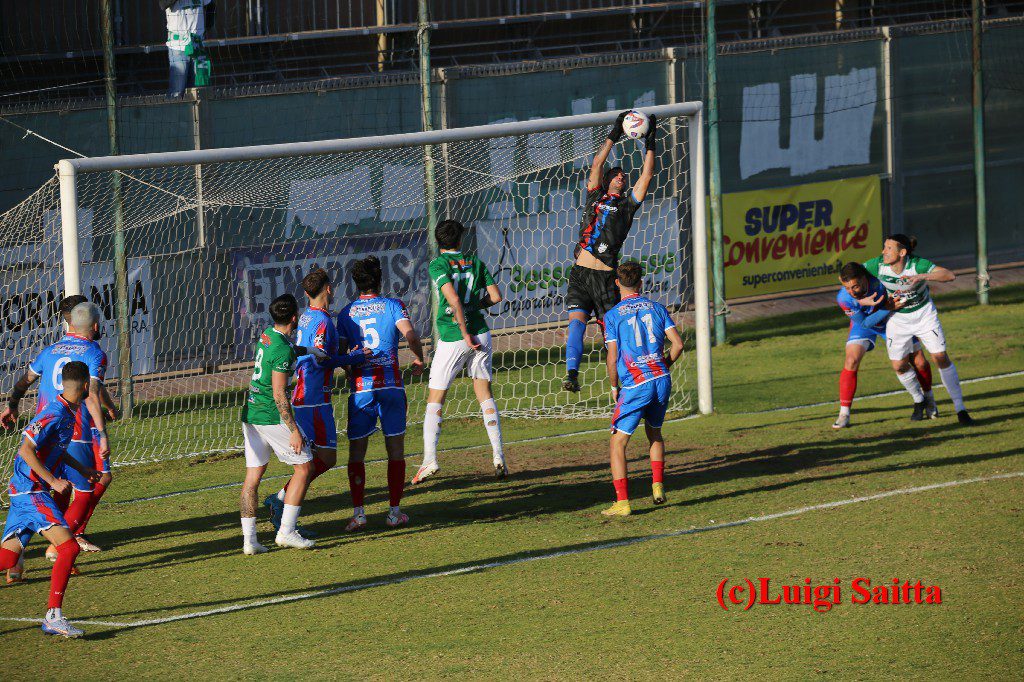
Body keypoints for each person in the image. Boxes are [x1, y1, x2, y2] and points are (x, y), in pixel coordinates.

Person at [1, 301, 115, 566]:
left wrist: (12, 405)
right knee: (90, 486)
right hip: (75, 430)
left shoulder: (50, 350)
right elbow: (92, 394)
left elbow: (23, 382)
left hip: (44, 434)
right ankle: (63, 543)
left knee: (46, 490)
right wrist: (102, 433)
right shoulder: (94, 352)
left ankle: (16, 559)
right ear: (96, 326)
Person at [0, 360, 101, 638]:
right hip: (31, 491)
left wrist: (82, 469)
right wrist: (53, 480)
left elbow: (54, 450)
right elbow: (25, 451)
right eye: (90, 386)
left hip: (26, 491)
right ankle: (53, 617)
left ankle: (52, 617)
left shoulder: (68, 412)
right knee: (68, 549)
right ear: (82, 386)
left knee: (8, 560)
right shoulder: (55, 413)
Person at [264, 268, 369, 533]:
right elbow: (323, 360)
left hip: (305, 395)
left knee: (315, 460)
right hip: (313, 400)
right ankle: (280, 501)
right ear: (329, 289)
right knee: (324, 459)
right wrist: (355, 357)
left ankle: (282, 504)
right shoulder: (322, 322)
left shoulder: (308, 317)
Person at [564, 110, 657, 393]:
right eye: (616, 174)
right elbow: (597, 162)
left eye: (623, 175)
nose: (621, 176)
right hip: (580, 273)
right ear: (606, 180)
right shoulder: (594, 194)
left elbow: (647, 174)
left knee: (612, 339)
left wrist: (650, 142)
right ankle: (571, 374)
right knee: (576, 325)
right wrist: (614, 133)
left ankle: (620, 388)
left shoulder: (628, 206)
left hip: (605, 279)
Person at [412, 219, 507, 484]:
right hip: (482, 331)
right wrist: (476, 306)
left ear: (437, 240)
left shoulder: (437, 264)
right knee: (484, 393)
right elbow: (496, 297)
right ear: (460, 240)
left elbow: (453, 300)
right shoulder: (474, 262)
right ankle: (499, 456)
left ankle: (430, 460)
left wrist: (464, 331)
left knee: (435, 398)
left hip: (456, 336)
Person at [336, 256, 425, 530]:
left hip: (362, 389)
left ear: (355, 283)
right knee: (395, 449)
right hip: (391, 387)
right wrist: (419, 358)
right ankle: (394, 512)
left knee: (357, 453)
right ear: (380, 280)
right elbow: (410, 336)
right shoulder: (393, 305)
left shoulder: (346, 313)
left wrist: (351, 370)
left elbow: (341, 355)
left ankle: (359, 514)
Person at [239, 294, 328, 554]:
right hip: (269, 416)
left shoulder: (267, 335)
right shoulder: (283, 350)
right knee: (305, 468)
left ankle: (249, 541)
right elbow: (279, 394)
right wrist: (294, 431)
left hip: (251, 415)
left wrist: (311, 350)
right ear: (294, 318)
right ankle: (287, 532)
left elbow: (288, 350)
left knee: (252, 479)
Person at [601, 262, 683, 516]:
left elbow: (612, 358)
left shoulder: (613, 315)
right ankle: (657, 486)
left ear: (617, 283)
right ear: (641, 283)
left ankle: (622, 503)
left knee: (618, 443)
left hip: (636, 383)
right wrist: (661, 367)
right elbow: (678, 345)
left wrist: (614, 385)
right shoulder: (657, 308)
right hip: (661, 379)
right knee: (654, 432)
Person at [865, 235, 974, 424]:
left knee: (939, 357)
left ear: (902, 253)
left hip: (924, 315)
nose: (883, 251)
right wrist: (861, 300)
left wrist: (922, 276)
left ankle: (960, 409)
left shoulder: (917, 264)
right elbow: (849, 276)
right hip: (898, 319)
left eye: (889, 248)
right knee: (899, 365)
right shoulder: (877, 265)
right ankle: (920, 400)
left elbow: (949, 275)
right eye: (884, 247)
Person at [834, 262, 937, 428]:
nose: (851, 292)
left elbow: (904, 290)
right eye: (847, 288)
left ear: (864, 278)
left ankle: (929, 399)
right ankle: (844, 414)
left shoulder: (881, 280)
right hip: (866, 324)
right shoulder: (844, 298)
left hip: (893, 321)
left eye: (855, 286)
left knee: (919, 362)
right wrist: (882, 308)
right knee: (851, 360)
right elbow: (865, 323)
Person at [164, 0, 214, 97]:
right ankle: (175, 111)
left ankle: (197, 112)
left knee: (199, 89)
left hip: (198, 45)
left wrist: (206, 27)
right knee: (177, 90)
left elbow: (211, 6)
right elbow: (163, 4)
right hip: (178, 46)